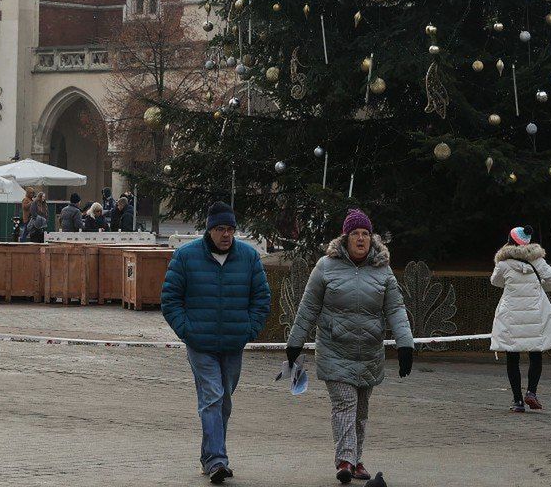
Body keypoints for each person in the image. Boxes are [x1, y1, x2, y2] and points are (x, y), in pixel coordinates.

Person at [285, 209, 414, 485]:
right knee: (345, 404)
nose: (360, 238)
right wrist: (295, 343)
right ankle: (345, 459)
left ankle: (356, 460)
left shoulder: (382, 269)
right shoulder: (325, 266)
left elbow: (396, 308)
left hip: (369, 353)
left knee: (361, 411)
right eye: (355, 233)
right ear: (345, 238)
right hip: (335, 350)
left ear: (371, 238)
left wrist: (406, 346)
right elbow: (308, 307)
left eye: (365, 234)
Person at [159, 202, 271, 485]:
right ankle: (218, 461)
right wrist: (187, 331)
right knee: (212, 396)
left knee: (224, 402)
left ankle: (209, 456)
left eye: (230, 229)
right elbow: (170, 299)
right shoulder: (186, 257)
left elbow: (261, 298)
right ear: (209, 230)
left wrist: (250, 329)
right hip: (200, 343)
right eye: (220, 229)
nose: (226, 235)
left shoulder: (248, 257)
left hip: (234, 342)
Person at [489, 224, 551, 413]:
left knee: (512, 356)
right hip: (535, 314)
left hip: (511, 316)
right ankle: (531, 392)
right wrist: (538, 287)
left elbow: (495, 282)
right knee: (535, 353)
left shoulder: (503, 264)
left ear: (509, 241)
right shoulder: (538, 262)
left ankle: (517, 401)